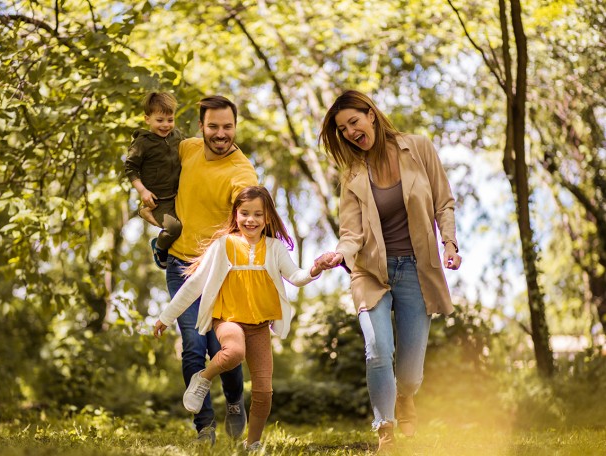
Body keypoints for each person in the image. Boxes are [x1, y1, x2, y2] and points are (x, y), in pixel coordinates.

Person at [317, 90, 462, 452]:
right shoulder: (352, 174)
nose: (350, 132)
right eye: (342, 129)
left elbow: (443, 202)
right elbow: (351, 233)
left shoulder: (419, 148)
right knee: (377, 349)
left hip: (416, 268)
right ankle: (385, 429)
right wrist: (337, 255)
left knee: (410, 373)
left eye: (354, 122)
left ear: (371, 115)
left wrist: (449, 244)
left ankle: (405, 396)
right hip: (370, 271)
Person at [154, 186, 332, 451]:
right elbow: (194, 285)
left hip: (259, 325)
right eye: (245, 213)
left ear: (268, 217)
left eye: (258, 214)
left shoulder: (274, 248)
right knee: (234, 352)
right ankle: (202, 378)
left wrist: (316, 268)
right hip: (228, 319)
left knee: (263, 391)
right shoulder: (224, 245)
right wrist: (166, 317)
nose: (251, 220)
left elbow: (295, 277)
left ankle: (253, 443)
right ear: (235, 214)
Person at [164, 95, 259, 445]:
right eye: (214, 126)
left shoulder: (241, 171)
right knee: (192, 346)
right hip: (180, 264)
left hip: (221, 271)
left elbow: (249, 209)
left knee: (223, 344)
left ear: (236, 126)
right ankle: (204, 426)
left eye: (228, 127)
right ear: (202, 127)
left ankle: (234, 401)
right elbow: (156, 156)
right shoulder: (187, 148)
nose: (221, 134)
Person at [124, 91, 183, 269]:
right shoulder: (143, 143)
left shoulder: (176, 137)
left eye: (170, 120)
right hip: (158, 201)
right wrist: (142, 191)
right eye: (160, 120)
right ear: (147, 119)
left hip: (178, 195)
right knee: (174, 228)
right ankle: (159, 246)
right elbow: (130, 168)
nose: (166, 125)